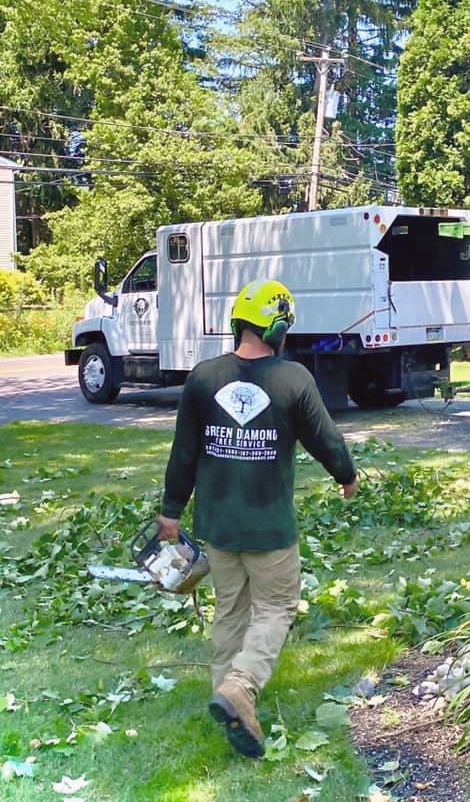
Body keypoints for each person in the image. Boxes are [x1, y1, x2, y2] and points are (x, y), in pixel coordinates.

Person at [157, 279, 358, 758]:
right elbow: (325, 439)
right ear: (280, 327)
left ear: (238, 323)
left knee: (231, 610)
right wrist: (346, 476)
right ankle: (241, 688)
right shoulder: (293, 380)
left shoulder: (204, 377)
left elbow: (183, 452)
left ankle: (224, 697)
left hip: (219, 528)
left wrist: (170, 511)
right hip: (269, 531)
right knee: (275, 609)